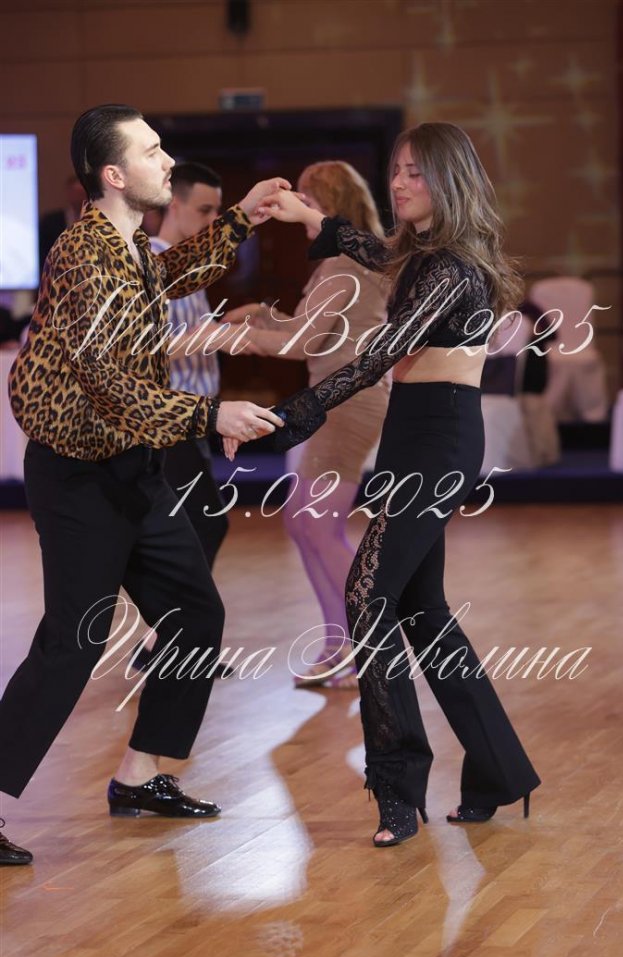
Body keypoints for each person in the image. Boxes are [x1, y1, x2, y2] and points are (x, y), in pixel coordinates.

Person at [0, 104, 286, 865]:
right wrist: (212, 413)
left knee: (194, 613)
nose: (167, 161)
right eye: (152, 152)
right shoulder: (84, 255)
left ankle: (139, 775)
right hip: (77, 475)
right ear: (114, 175)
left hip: (129, 463)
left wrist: (241, 219)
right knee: (74, 641)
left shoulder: (128, 244)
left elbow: (173, 273)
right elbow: (109, 385)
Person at [251, 122, 541, 847]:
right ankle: (500, 772)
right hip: (415, 433)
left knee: (367, 594)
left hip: (439, 439)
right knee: (422, 610)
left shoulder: (453, 270)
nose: (399, 182)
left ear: (448, 179)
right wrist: (312, 217)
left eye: (416, 171)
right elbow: (376, 252)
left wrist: (287, 417)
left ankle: (397, 787)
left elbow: (375, 357)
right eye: (397, 170)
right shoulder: (425, 255)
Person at [225, 161, 390, 688]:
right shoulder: (344, 260)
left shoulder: (344, 261)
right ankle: (340, 645)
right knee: (303, 522)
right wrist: (258, 314)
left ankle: (367, 648)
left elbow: (300, 343)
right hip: (334, 399)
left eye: (306, 198)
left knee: (317, 525)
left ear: (329, 205)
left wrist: (231, 337)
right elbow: (309, 331)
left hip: (349, 402)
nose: (294, 205)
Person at [149, 162, 230, 568]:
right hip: (170, 419)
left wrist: (236, 323)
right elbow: (149, 347)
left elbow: (192, 333)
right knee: (205, 524)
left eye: (217, 211)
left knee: (196, 526)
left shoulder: (189, 265)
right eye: (204, 210)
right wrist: (218, 336)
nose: (214, 220)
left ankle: (175, 608)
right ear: (173, 205)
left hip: (194, 418)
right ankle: (180, 608)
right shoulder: (152, 262)